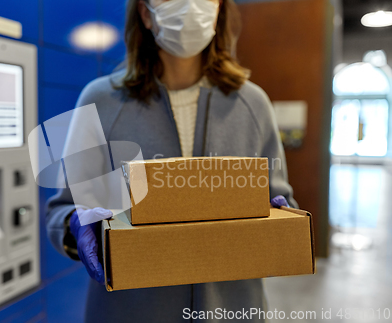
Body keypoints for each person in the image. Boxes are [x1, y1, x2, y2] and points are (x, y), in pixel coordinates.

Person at [46, 0, 297, 322]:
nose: (190, 6)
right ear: (145, 13)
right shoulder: (101, 101)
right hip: (131, 310)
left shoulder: (251, 103)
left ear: (219, 10)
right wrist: (74, 226)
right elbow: (63, 209)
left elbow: (282, 203)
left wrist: (278, 216)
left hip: (231, 307)